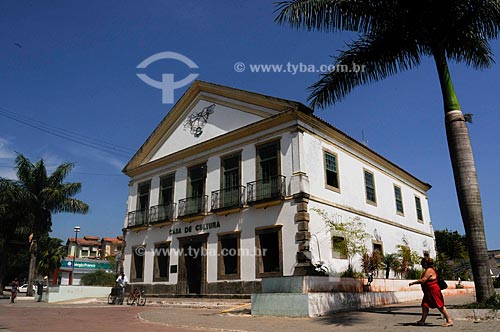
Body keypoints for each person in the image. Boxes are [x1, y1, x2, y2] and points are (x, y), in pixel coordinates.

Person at [409, 257, 453, 327]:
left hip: (433, 291)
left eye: (422, 263)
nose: (421, 264)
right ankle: (422, 320)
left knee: (440, 305)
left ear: (426, 263)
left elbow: (423, 280)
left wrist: (414, 283)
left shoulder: (429, 270)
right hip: (428, 292)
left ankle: (449, 320)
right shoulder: (428, 270)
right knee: (425, 305)